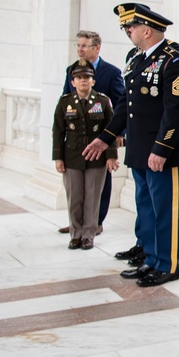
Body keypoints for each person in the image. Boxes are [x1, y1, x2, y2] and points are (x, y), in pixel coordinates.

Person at [84, 3, 179, 288]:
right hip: (139, 148)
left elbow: (176, 110)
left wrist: (161, 149)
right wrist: (105, 137)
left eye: (130, 27)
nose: (127, 31)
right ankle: (149, 255)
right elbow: (124, 105)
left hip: (161, 151)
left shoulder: (173, 60)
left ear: (146, 29)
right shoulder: (135, 57)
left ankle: (166, 264)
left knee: (163, 207)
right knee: (145, 205)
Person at [58, 30, 125, 239]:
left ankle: (96, 223)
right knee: (76, 187)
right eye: (78, 45)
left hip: (102, 136)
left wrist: (118, 133)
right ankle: (77, 224)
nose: (80, 49)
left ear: (97, 48)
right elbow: (65, 98)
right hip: (77, 140)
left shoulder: (111, 72)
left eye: (84, 45)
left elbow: (120, 104)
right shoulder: (71, 70)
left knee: (99, 184)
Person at [53, 60, 119, 249]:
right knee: (74, 197)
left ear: (93, 81)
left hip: (96, 158)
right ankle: (75, 234)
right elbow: (57, 131)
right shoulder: (65, 102)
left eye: (87, 77)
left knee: (92, 197)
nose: (83, 81)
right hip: (72, 157)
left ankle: (88, 234)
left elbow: (110, 131)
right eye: (79, 78)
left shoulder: (103, 101)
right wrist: (58, 157)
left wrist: (111, 156)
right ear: (72, 82)